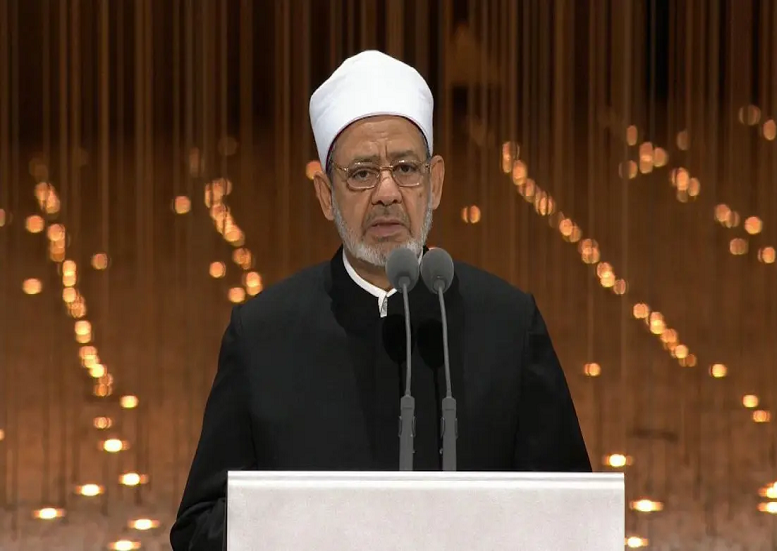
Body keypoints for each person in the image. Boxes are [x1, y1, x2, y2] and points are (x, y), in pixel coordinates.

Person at [170, 50, 591, 551]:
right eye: (362, 173)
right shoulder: (263, 336)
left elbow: (574, 519)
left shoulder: (508, 325)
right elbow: (199, 529)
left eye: (406, 168)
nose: (387, 192)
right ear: (325, 194)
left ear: (435, 183)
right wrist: (310, 518)